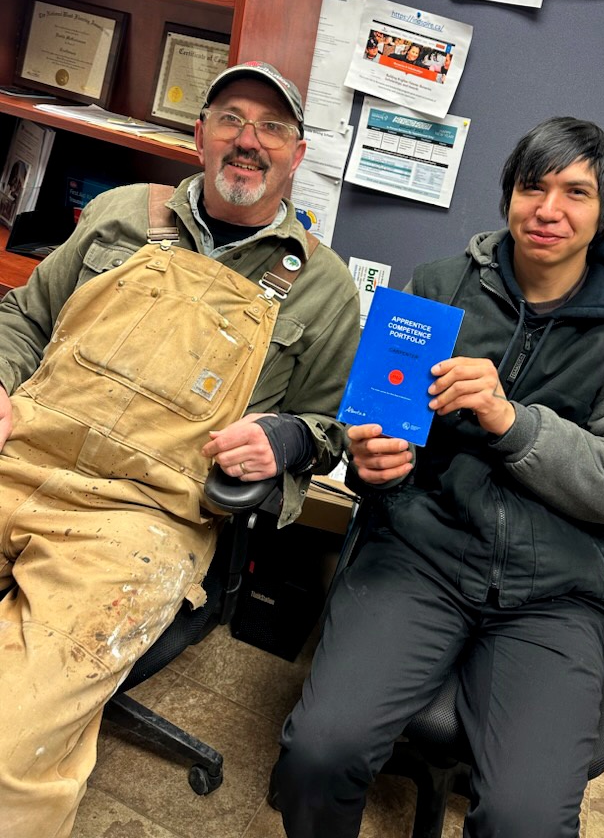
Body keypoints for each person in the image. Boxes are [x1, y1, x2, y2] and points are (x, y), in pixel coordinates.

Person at [272, 116, 604, 837]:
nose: (548, 210)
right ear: (508, 197)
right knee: (317, 753)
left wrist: (510, 419)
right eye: (532, 186)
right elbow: (366, 428)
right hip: (420, 559)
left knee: (527, 821)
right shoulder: (439, 288)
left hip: (555, 593)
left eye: (576, 193)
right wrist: (370, 461)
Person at [0, 60, 360, 836]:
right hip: (20, 453)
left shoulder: (323, 287)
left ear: (297, 155)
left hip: (136, 523)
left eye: (272, 128)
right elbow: (26, 318)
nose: (247, 141)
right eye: (230, 117)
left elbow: (328, 431)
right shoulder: (125, 212)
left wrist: (285, 439)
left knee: (12, 742)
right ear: (199, 134)